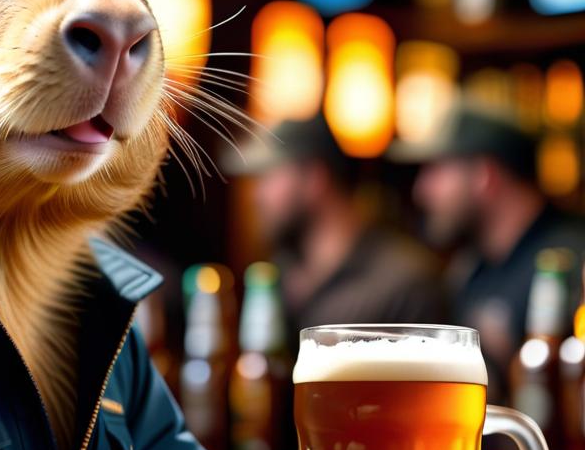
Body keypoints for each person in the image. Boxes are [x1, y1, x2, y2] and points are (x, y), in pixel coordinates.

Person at [409, 103, 585, 388]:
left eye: (436, 171)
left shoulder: (570, 261)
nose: (422, 190)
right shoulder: (470, 267)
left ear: (483, 175)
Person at [236, 114, 446, 346]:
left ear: (314, 178)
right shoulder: (279, 275)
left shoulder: (404, 283)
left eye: (268, 177)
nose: (257, 195)